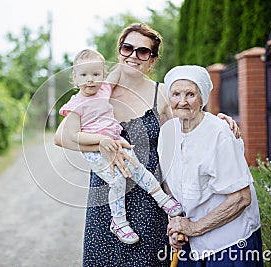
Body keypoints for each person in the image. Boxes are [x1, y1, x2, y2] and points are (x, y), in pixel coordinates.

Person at [54, 23, 239, 266]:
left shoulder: (161, 94)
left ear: (152, 60)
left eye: (143, 51)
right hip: (108, 197)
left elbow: (190, 129)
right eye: (127, 48)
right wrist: (102, 144)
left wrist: (219, 122)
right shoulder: (98, 90)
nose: (133, 56)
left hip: (149, 201)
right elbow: (62, 137)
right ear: (119, 51)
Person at [59, 48, 183, 245]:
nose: (90, 79)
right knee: (117, 180)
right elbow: (72, 135)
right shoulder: (75, 105)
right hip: (95, 149)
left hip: (115, 143)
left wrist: (130, 54)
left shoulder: (105, 90)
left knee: (137, 168)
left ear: (103, 75)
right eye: (83, 75)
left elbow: (121, 66)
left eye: (96, 74)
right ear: (74, 78)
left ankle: (163, 200)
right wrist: (100, 141)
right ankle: (118, 221)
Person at [159, 65, 263, 266]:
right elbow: (168, 186)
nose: (182, 101)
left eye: (190, 94)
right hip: (189, 241)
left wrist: (194, 228)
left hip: (229, 243)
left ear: (202, 99)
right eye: (176, 94)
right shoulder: (167, 132)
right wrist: (175, 224)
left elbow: (241, 198)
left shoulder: (219, 132)